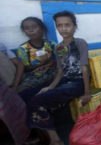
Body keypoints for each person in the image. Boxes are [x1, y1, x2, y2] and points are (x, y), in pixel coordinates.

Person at [19, 11, 91, 145]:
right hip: (63, 81)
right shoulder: (59, 48)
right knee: (24, 95)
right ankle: (38, 134)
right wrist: (50, 87)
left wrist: (87, 92)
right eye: (60, 25)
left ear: (75, 26)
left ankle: (55, 140)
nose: (63, 28)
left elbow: (84, 67)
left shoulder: (80, 43)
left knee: (37, 101)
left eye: (67, 25)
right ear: (56, 27)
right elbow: (60, 71)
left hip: (77, 82)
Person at [16, 17, 58, 93]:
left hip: (52, 72)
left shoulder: (50, 43)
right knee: (20, 91)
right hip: (34, 77)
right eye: (26, 28)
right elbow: (24, 68)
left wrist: (51, 62)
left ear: (42, 29)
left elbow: (63, 56)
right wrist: (41, 64)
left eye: (34, 27)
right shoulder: (23, 48)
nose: (31, 30)